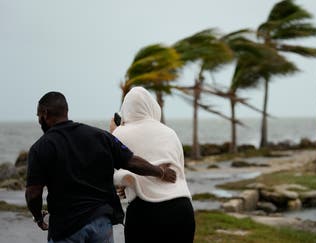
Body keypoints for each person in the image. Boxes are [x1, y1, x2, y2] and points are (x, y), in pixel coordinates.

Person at [25, 91, 177, 243]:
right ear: (66, 111)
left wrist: (38, 217)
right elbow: (131, 162)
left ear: (44, 113)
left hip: (66, 227)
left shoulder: (40, 148)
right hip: (100, 222)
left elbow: (33, 193)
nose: (39, 120)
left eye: (38, 115)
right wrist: (161, 172)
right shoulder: (100, 136)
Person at [111, 87, 195, 243]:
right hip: (182, 208)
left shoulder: (119, 133)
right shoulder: (170, 133)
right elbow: (179, 172)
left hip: (145, 211)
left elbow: (115, 168)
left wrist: (126, 183)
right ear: (152, 106)